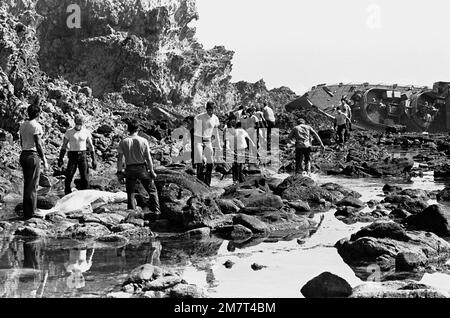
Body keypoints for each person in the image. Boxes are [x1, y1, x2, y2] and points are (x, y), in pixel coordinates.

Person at [117, 120, 161, 216]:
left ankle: (131, 214)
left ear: (128, 129)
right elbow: (148, 158)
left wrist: (119, 172)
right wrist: (152, 171)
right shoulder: (143, 141)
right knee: (152, 190)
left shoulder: (123, 141)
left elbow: (120, 159)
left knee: (131, 192)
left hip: (129, 168)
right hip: (141, 168)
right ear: (138, 129)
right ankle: (156, 212)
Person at [19, 101, 49, 219]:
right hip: (32, 156)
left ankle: (27, 210)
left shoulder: (23, 125)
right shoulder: (36, 125)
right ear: (38, 113)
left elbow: (21, 141)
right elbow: (38, 144)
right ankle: (32, 211)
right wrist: (44, 159)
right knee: (33, 185)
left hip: (23, 154)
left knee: (27, 183)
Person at [58, 115, 97, 195]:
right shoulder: (69, 132)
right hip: (73, 155)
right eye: (77, 123)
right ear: (75, 122)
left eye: (80, 123)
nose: (79, 124)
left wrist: (94, 159)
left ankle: (85, 195)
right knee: (69, 176)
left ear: (83, 123)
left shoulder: (86, 132)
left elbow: (90, 145)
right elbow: (64, 145)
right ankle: (67, 194)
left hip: (83, 155)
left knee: (85, 177)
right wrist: (60, 158)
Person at [193, 102, 222, 186]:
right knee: (200, 161)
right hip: (199, 140)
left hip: (208, 140)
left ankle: (207, 183)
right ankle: (199, 182)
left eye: (212, 110)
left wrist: (219, 145)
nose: (210, 111)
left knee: (210, 162)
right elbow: (196, 122)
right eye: (209, 110)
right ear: (206, 109)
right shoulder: (200, 117)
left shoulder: (215, 119)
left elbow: (215, 133)